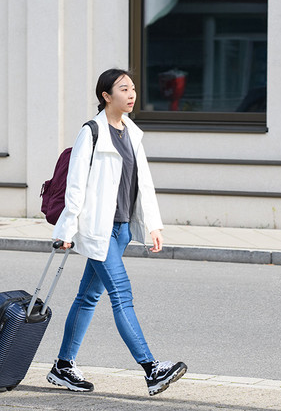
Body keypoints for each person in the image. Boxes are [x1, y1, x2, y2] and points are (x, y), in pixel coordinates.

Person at [46, 68, 187, 396]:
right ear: (106, 96)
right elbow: (76, 187)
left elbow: (144, 184)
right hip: (99, 230)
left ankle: (63, 366)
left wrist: (153, 225)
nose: (132, 94)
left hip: (122, 229)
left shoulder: (132, 133)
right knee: (121, 295)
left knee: (88, 296)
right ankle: (152, 369)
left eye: (133, 88)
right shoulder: (92, 132)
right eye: (124, 89)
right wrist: (67, 229)